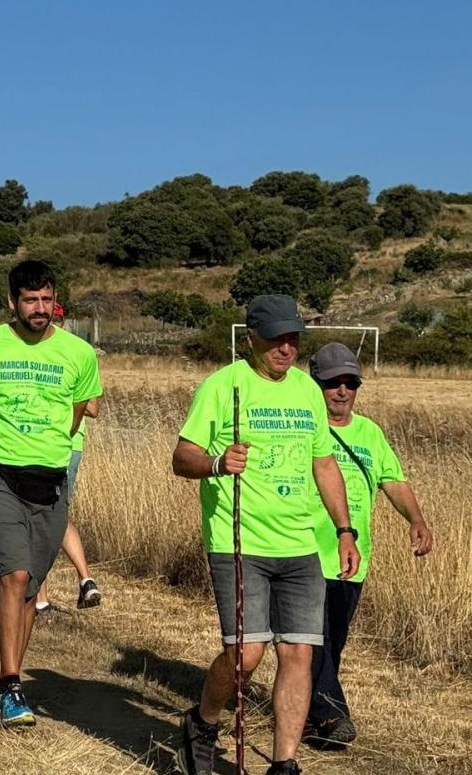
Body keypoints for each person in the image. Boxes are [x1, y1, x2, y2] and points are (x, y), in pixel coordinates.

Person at [173, 294, 360, 775]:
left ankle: (284, 764)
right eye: (276, 338)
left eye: (293, 337)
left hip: (301, 546)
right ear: (251, 338)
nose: (286, 347)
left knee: (299, 653)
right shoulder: (223, 386)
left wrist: (344, 530)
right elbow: (182, 457)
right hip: (240, 545)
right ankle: (202, 720)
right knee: (245, 655)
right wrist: (216, 464)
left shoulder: (305, 391)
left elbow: (324, 463)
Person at [0, 259, 102, 728]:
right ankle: (8, 685)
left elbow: (79, 412)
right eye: (30, 300)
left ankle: (12, 684)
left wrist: (49, 449)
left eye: (46, 300)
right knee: (15, 576)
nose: (40, 309)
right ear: (11, 302)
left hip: (52, 479)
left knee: (31, 587)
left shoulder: (79, 354)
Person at [303, 342, 433, 750]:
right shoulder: (302, 428)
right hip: (304, 552)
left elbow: (392, 480)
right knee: (313, 640)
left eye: (350, 383)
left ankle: (312, 720)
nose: (341, 391)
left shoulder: (370, 433)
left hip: (351, 560)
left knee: (331, 645)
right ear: (314, 383)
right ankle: (330, 714)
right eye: (332, 383)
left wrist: (416, 519)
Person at [34, 395, 102, 612]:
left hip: (53, 443)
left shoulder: (68, 363)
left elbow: (92, 408)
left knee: (38, 515)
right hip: (71, 445)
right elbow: (93, 406)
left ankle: (41, 601)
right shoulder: (81, 361)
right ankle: (86, 580)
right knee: (57, 514)